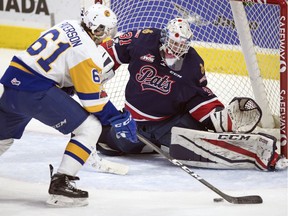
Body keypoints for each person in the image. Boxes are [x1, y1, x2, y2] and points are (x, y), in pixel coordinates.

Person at [98, 17, 287, 171]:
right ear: (164, 38)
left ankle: (260, 153)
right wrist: (95, 72)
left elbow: (198, 97)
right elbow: (112, 51)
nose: (176, 49)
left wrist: (220, 118)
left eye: (181, 45)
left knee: (197, 142)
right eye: (173, 42)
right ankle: (95, 131)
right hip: (134, 120)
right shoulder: (144, 39)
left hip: (169, 122)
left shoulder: (192, 64)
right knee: (117, 143)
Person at [0, 4, 137, 207]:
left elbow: (54, 64)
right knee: (90, 127)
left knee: (2, 138)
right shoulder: (87, 50)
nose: (106, 35)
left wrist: (64, 88)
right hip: (36, 92)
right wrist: (116, 117)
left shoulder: (67, 24)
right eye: (105, 31)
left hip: (10, 84)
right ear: (99, 29)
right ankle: (61, 185)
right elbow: (91, 100)